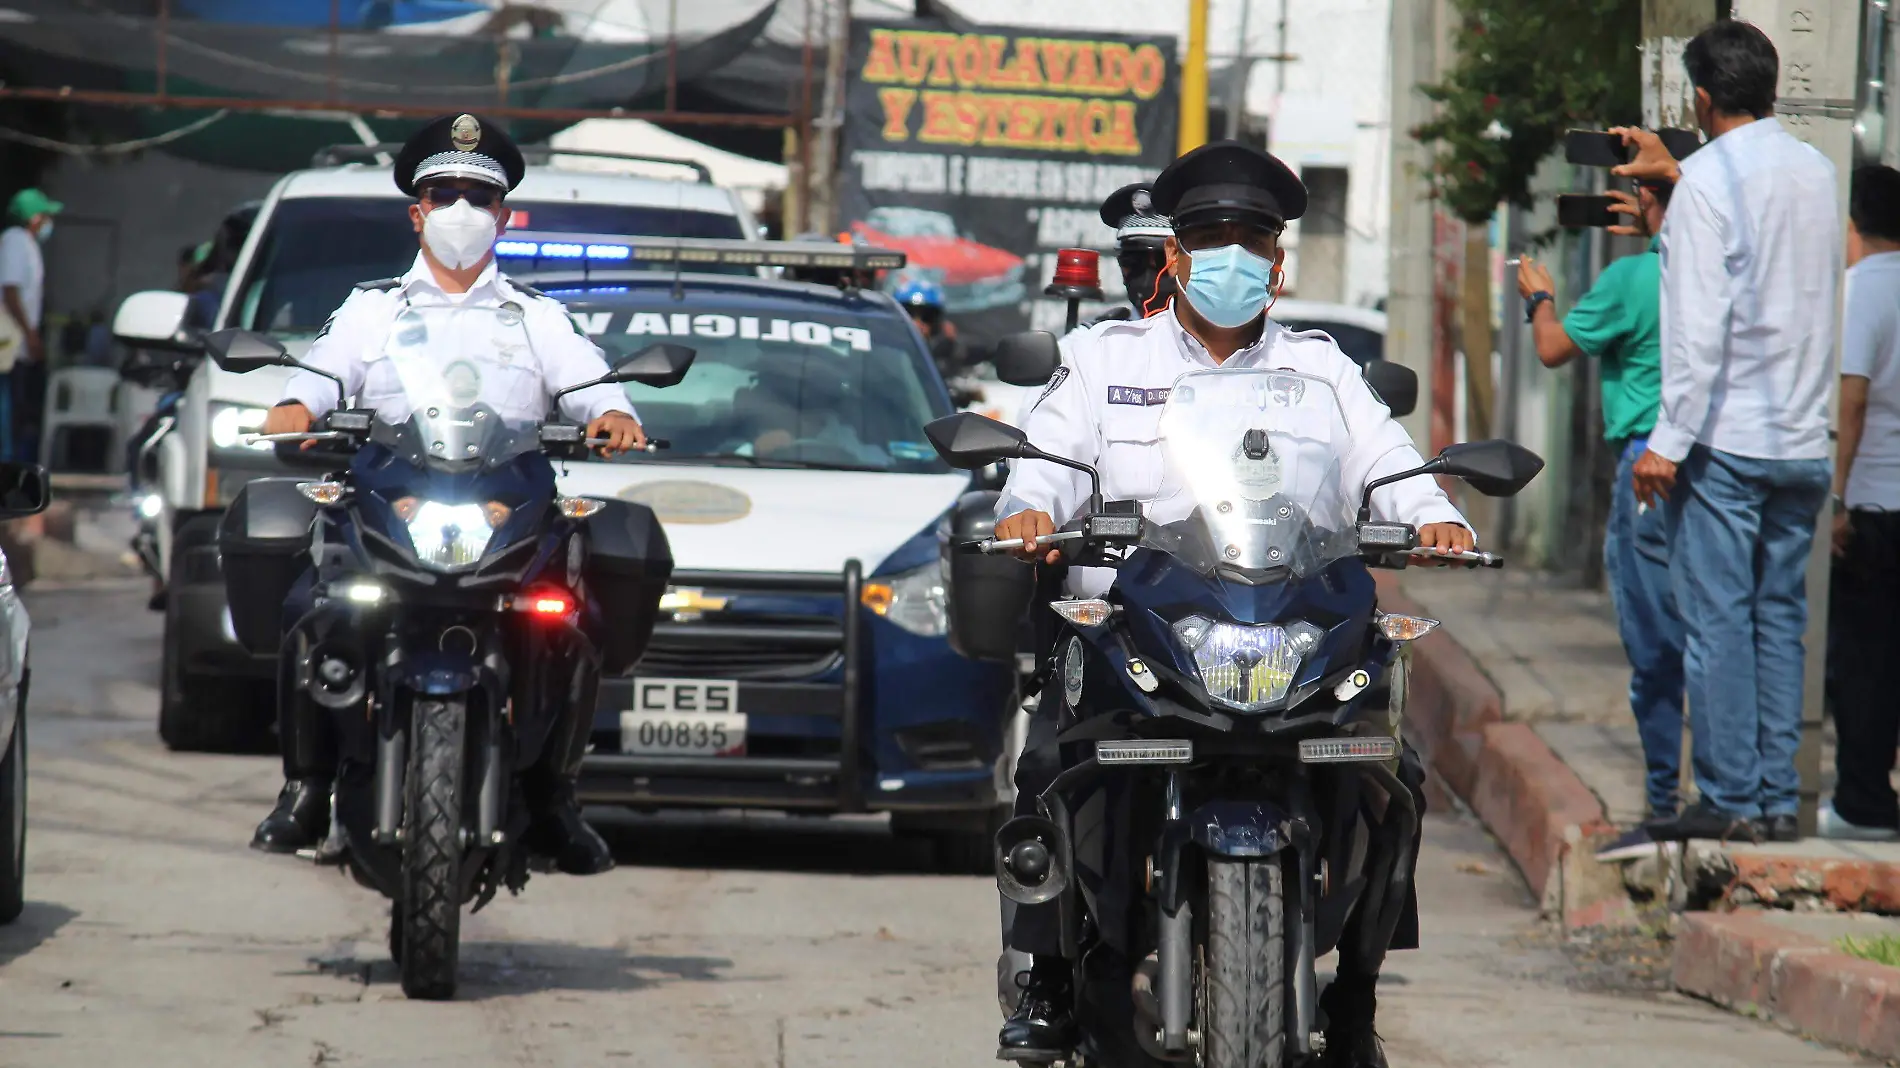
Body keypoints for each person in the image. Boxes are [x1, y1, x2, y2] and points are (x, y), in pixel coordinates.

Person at [991, 140, 1471, 1068]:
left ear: (1278, 262)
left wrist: (1433, 517)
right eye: (1209, 236)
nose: (1231, 255)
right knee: (1046, 759)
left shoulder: (1324, 371)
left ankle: (1358, 994)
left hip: (1288, 630)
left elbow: (1394, 467)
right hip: (1134, 640)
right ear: (1173, 256)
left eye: (1251, 238)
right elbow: (1040, 469)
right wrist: (1028, 516)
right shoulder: (1102, 360)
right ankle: (1048, 976)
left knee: (1395, 778)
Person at [250, 112, 646, 876]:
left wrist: (614, 416)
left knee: (578, 622)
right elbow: (323, 372)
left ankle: (557, 794)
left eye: (476, 197)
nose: (460, 211)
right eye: (444, 194)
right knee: (313, 607)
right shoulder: (374, 310)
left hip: (506, 514)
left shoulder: (536, 317)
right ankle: (306, 786)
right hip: (392, 507)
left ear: (502, 216)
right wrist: (298, 408)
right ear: (417, 212)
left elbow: (590, 382)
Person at [1612, 19, 1838, 844]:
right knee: (1779, 618)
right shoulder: (1818, 173)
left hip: (1725, 439)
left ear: (1701, 99)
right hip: (1803, 440)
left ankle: (1733, 797)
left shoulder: (1706, 183)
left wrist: (1665, 445)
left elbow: (1699, 330)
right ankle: (1778, 800)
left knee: (1716, 623)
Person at [1515, 181, 1685, 854]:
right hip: (1713, 458)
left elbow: (1553, 348)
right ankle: (1738, 798)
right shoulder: (1722, 273)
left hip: (1648, 460)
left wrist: (1539, 297)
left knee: (1655, 644)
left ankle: (1665, 805)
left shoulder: (1631, 278)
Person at [1819, 165, 1900, 840]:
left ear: (1852, 225)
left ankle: (1864, 802)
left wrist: (1836, 500)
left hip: (1875, 505)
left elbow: (1852, 398)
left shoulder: (1859, 293)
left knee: (1866, 661)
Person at [0, 188, 61, 462]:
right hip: (8, 343)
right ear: (35, 218)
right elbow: (10, 290)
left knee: (19, 405)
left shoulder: (27, 244)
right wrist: (30, 333)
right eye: (47, 216)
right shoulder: (14, 241)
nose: (50, 222)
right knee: (7, 404)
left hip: (17, 344)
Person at [893, 274, 967, 380]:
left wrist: (952, 349)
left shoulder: (945, 357)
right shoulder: (880, 353)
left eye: (926, 316)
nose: (917, 323)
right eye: (909, 314)